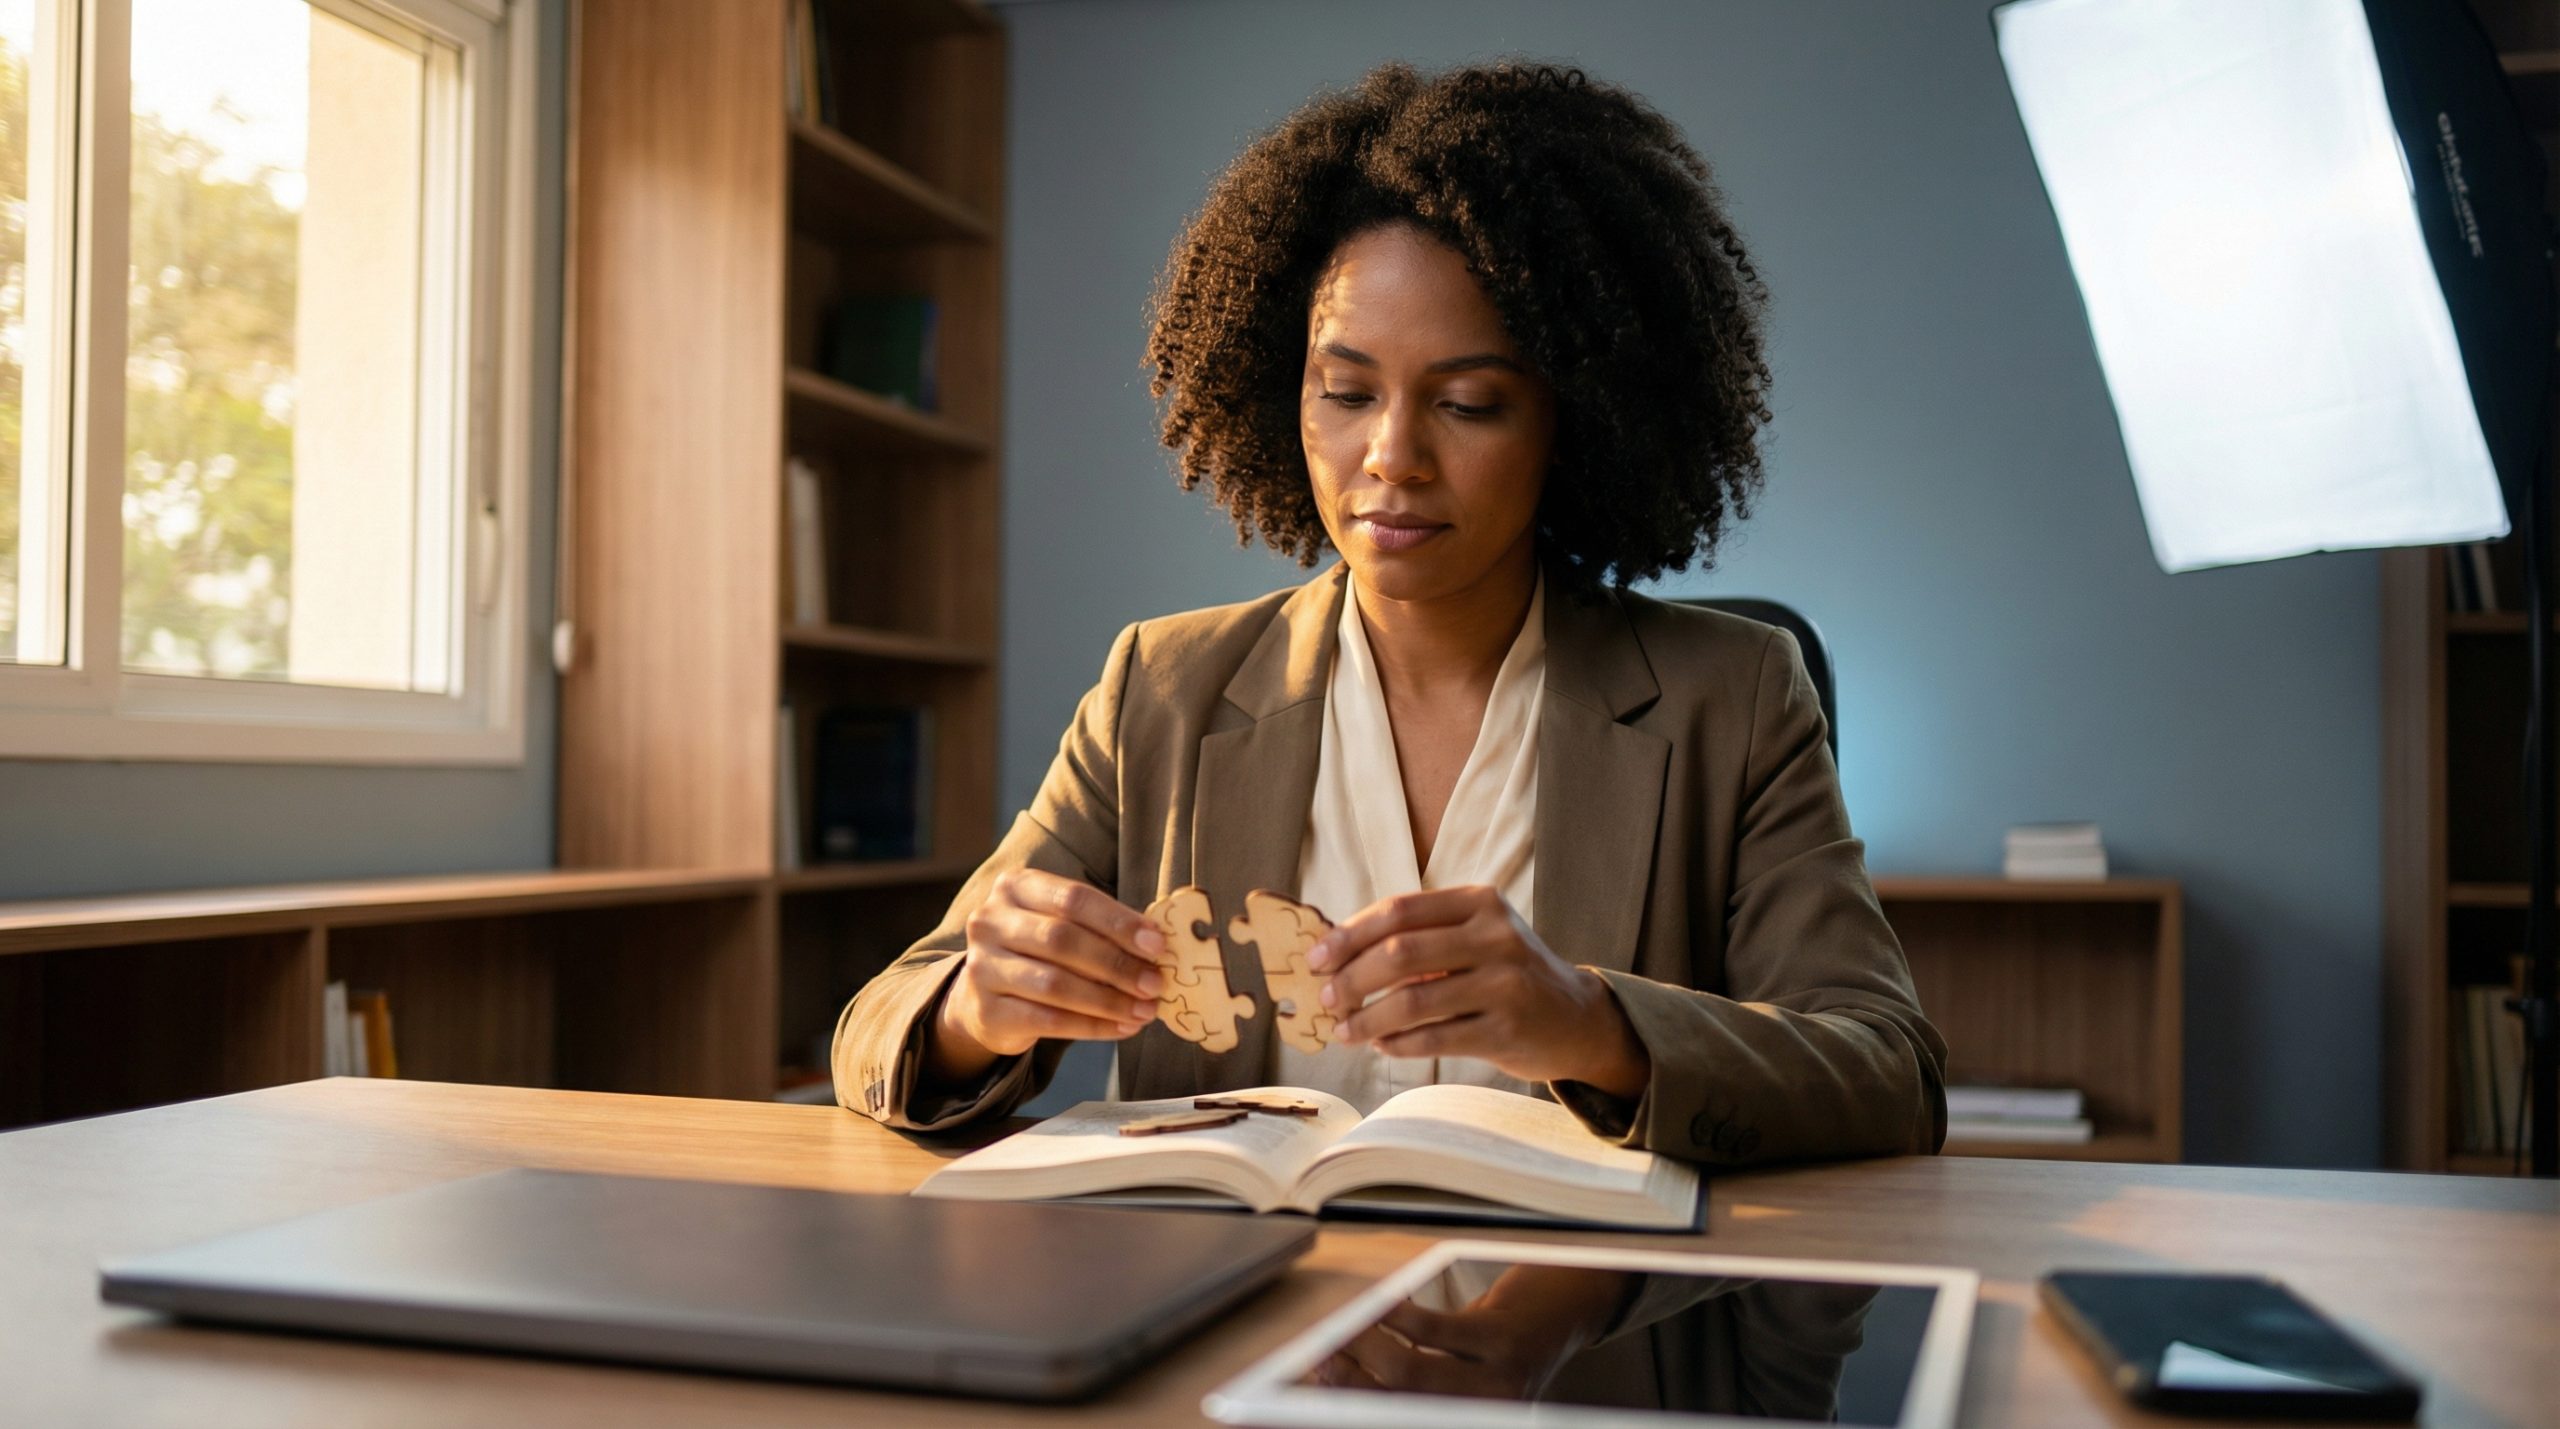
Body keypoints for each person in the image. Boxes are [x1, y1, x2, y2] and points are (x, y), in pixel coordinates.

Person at [833, 59, 1946, 1167]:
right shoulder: (1161, 690)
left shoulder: (1735, 696)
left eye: (1468, 403)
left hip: (1581, 1322)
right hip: (1228, 1307)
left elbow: (1886, 1072)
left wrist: (1591, 1024)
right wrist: (981, 1009)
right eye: (1347, 391)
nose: (1392, 458)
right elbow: (881, 1029)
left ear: (1579, 417)